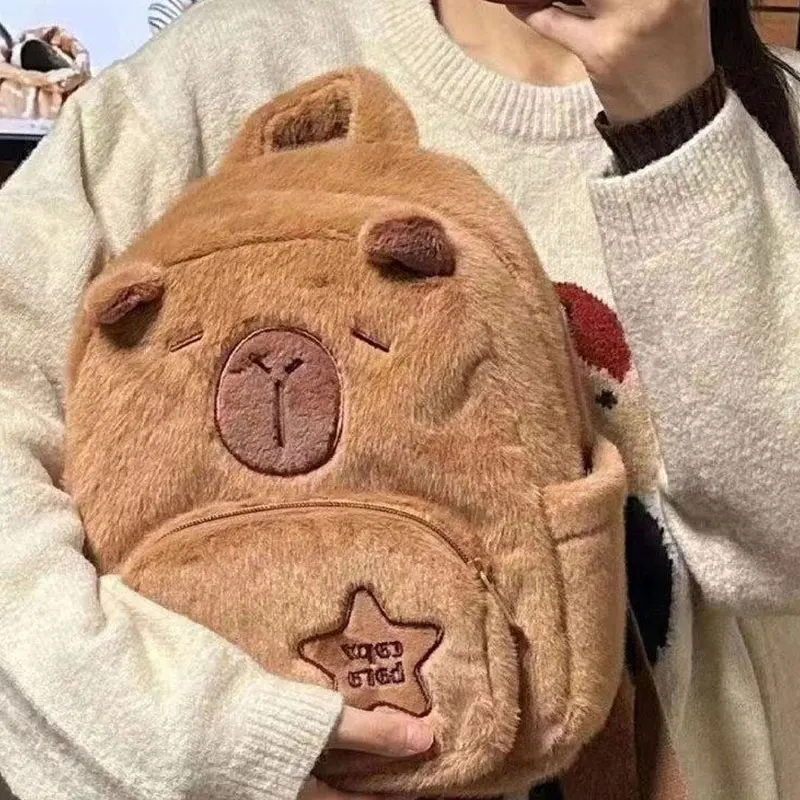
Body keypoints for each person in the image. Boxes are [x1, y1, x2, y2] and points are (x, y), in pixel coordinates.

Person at [0, 0, 798, 798]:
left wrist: (676, 122)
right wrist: (200, 737)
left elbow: (775, 557)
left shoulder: (773, 107)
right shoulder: (219, 75)